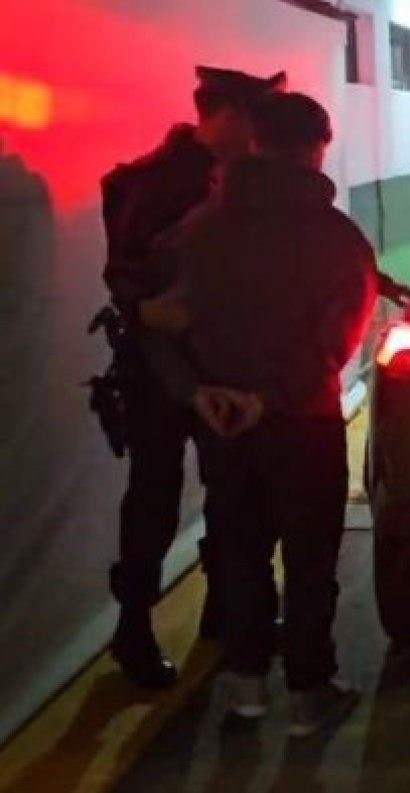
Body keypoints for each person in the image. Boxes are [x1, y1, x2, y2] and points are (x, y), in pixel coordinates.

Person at [142, 92, 376, 735]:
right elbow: (335, 344)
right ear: (318, 149)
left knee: (240, 553)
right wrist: (269, 397)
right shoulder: (337, 239)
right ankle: (309, 691)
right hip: (302, 424)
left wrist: (195, 391)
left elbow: (155, 321)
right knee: (310, 561)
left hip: (222, 424)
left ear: (254, 143)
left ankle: (246, 687)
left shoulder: (196, 230)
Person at [100, 65, 285, 688]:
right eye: (255, 120)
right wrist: (144, 311)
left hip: (218, 358)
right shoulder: (153, 183)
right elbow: (127, 275)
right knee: (156, 497)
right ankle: (134, 627)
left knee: (231, 490)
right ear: (228, 115)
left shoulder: (233, 179)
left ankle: (223, 609)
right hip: (161, 367)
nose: (258, 135)